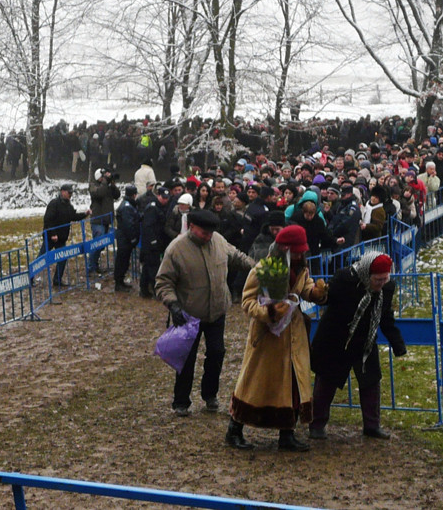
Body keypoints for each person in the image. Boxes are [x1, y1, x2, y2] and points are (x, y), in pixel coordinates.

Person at [227, 224, 328, 451]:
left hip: (293, 336)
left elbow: (306, 288)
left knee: (292, 384)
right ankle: (234, 429)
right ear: (284, 249)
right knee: (253, 383)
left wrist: (317, 293)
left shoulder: (301, 268)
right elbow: (247, 302)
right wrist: (270, 312)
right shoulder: (262, 269)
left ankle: (287, 433)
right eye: (297, 251)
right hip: (267, 338)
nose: (301, 254)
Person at [155, 210, 255, 417]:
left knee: (217, 353)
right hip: (189, 314)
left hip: (217, 310)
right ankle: (181, 400)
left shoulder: (218, 240)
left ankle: (210, 395)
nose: (208, 236)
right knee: (186, 359)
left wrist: (257, 268)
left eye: (210, 232)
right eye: (203, 232)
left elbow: (237, 256)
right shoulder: (176, 249)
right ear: (191, 226)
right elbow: (163, 282)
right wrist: (173, 305)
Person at [309, 252, 406, 440]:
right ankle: (317, 424)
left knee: (371, 382)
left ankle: (372, 425)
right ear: (367, 275)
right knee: (326, 383)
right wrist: (318, 293)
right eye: (377, 280)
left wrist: (397, 343)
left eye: (385, 279)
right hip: (336, 340)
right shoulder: (345, 279)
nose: (381, 284)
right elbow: (326, 299)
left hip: (365, 342)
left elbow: (386, 317)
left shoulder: (387, 288)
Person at [42, 184, 91, 286]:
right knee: (41, 259)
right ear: (62, 192)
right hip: (50, 238)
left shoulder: (69, 205)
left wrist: (85, 214)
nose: (70, 195)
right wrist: (53, 234)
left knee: (63, 259)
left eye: (71, 193)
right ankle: (30, 277)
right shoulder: (54, 203)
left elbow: (73, 216)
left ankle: (57, 280)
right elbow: (48, 220)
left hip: (61, 238)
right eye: (69, 193)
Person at [139, 186, 171, 298]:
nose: (165, 200)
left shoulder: (162, 207)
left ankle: (144, 290)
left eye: (167, 198)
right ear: (158, 196)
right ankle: (154, 290)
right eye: (163, 198)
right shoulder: (152, 208)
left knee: (148, 267)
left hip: (158, 241)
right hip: (151, 244)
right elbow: (148, 227)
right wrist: (153, 242)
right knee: (153, 267)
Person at [88, 168, 119, 273]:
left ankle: (94, 265)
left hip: (106, 220)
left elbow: (117, 195)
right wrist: (105, 182)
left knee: (102, 245)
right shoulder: (93, 185)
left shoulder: (107, 186)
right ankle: (91, 266)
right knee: (97, 244)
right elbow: (99, 193)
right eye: (103, 177)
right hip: (97, 220)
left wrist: (113, 184)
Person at [114, 185, 141, 292]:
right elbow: (128, 225)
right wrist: (133, 238)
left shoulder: (128, 205)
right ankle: (118, 283)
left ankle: (121, 281)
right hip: (125, 239)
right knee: (122, 260)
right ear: (134, 195)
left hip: (125, 238)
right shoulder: (127, 207)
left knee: (124, 260)